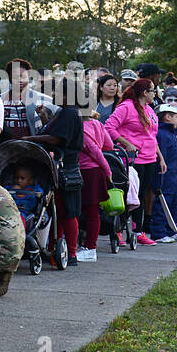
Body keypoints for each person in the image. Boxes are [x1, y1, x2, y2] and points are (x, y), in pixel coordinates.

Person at [25, 77, 85, 266]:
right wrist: (44, 119)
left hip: (65, 168)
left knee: (67, 211)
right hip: (61, 167)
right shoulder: (65, 113)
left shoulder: (69, 113)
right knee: (57, 211)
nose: (54, 95)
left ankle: (71, 253)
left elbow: (58, 138)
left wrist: (31, 138)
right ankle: (54, 250)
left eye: (59, 92)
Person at [105, 78, 162, 245]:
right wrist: (126, 143)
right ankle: (119, 230)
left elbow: (152, 135)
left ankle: (138, 231)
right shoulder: (126, 107)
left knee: (142, 195)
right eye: (153, 91)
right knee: (130, 194)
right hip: (133, 158)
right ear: (145, 92)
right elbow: (109, 127)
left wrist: (161, 157)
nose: (155, 94)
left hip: (150, 158)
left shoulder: (149, 109)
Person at [77, 95, 116, 260]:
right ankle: (89, 246)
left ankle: (89, 247)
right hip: (96, 172)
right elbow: (109, 146)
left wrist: (108, 172)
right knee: (93, 211)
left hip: (87, 172)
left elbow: (95, 152)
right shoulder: (97, 124)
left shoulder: (82, 129)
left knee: (87, 211)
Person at [151, 102, 177, 242]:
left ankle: (172, 229)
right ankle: (159, 232)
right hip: (165, 175)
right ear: (167, 117)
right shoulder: (161, 134)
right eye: (176, 116)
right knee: (162, 202)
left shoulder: (172, 132)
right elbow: (161, 156)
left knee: (176, 202)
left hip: (174, 175)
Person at [0, 58, 53, 143]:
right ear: (9, 78)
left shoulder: (44, 99)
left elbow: (53, 128)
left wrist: (44, 118)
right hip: (4, 150)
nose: (20, 80)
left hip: (32, 149)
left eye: (23, 76)